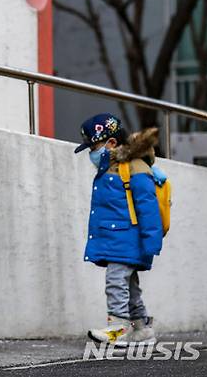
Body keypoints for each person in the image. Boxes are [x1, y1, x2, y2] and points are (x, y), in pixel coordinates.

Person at [74, 113, 164, 346]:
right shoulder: (110, 169)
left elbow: (148, 207)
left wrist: (151, 241)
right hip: (119, 239)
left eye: (93, 147)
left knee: (116, 282)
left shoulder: (134, 167)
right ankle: (142, 329)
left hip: (128, 239)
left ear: (111, 143)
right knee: (130, 286)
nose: (91, 153)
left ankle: (118, 328)